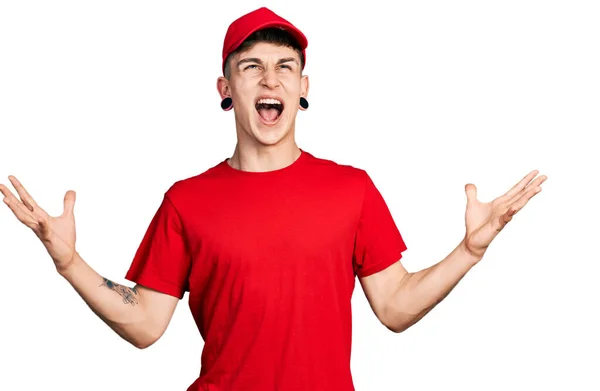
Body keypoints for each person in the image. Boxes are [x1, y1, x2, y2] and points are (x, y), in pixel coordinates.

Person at [0, 6, 547, 391]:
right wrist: (69, 262)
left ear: (304, 86)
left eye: (285, 67)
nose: (271, 79)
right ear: (225, 89)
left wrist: (469, 252)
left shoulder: (351, 189)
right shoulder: (186, 201)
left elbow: (396, 306)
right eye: (251, 66)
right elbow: (145, 324)